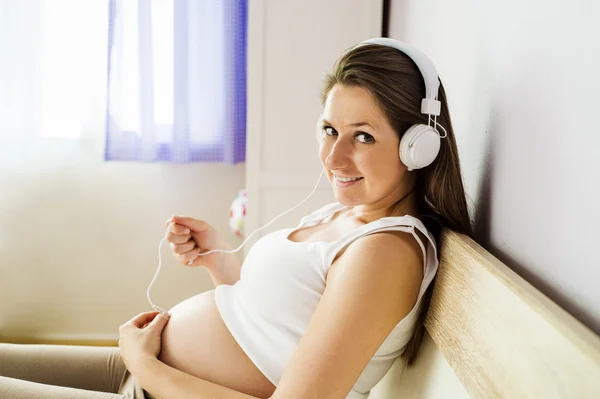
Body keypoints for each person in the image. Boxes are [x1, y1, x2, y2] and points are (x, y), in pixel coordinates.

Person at [0, 38, 472, 399]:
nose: (334, 157)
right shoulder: (349, 214)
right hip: (139, 375)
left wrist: (148, 367)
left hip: (150, 385)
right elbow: (278, 323)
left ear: (419, 146)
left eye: (363, 137)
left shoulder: (385, 252)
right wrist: (218, 261)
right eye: (329, 130)